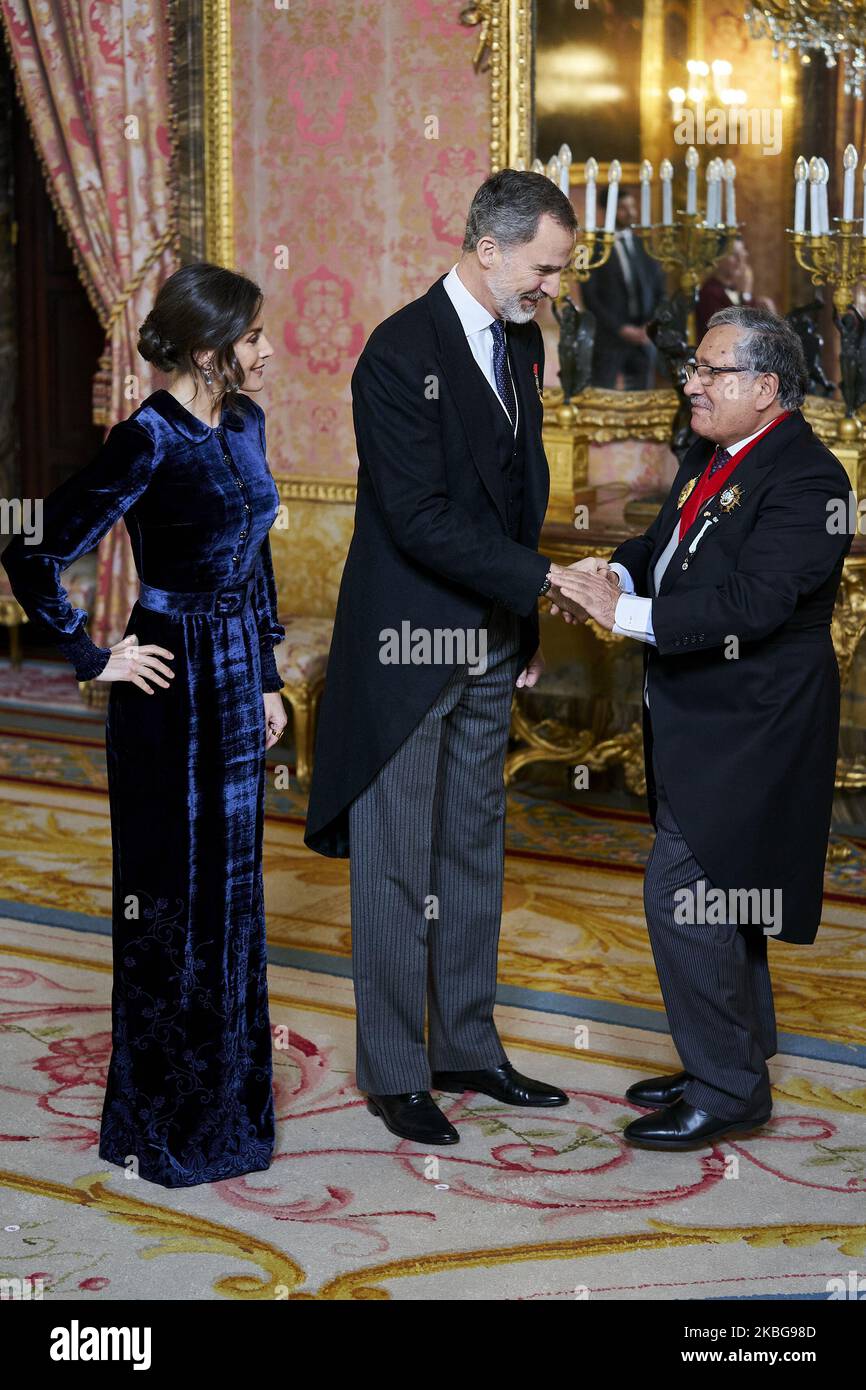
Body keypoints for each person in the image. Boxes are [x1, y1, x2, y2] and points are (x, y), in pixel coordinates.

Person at [304, 170, 599, 1145]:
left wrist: (518, 627)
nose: (550, 288)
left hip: (484, 638)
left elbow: (515, 492)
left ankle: (465, 1044)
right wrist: (544, 582)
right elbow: (418, 519)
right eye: (544, 268)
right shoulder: (397, 353)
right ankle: (395, 1071)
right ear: (488, 249)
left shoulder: (519, 342)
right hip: (405, 643)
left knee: (472, 850)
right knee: (394, 863)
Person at [1, 263, 288, 1186]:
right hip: (167, 688)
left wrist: (273, 678)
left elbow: (258, 565)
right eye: (252, 339)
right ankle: (163, 1120)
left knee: (233, 900)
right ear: (208, 351)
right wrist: (95, 657)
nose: (268, 350)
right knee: (171, 902)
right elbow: (34, 552)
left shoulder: (245, 423)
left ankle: (232, 1115)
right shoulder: (147, 439)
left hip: (240, 679)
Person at [549, 306, 852, 1150]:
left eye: (712, 372)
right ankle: (735, 1051)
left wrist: (628, 613)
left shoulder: (811, 480)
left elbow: (756, 603)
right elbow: (663, 545)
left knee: (684, 893)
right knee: (724, 889)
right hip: (700, 715)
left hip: (756, 725)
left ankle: (727, 1090)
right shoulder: (715, 456)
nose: (692, 383)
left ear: (766, 387)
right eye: (694, 367)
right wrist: (609, 571)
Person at [580, 185, 666, 389]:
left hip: (644, 338)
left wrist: (650, 326)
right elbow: (591, 298)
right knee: (605, 396)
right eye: (623, 208)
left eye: (632, 207)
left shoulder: (643, 245)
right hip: (610, 341)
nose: (631, 213)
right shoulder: (594, 249)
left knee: (643, 397)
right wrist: (621, 329)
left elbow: (659, 289)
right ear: (607, 211)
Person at [696, 236, 776, 341]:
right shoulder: (709, 293)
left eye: (742, 254)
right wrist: (746, 294)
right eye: (734, 255)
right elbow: (737, 332)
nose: (741, 260)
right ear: (718, 259)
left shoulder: (735, 289)